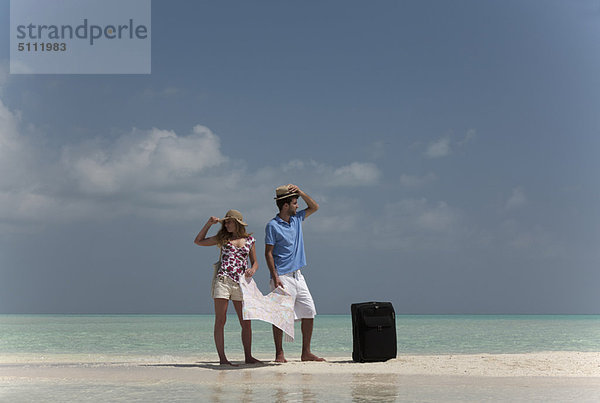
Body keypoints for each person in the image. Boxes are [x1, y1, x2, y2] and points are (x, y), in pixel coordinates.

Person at [265, 184, 325, 362]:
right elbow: (268, 252)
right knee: (280, 315)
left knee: (309, 311)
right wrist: (275, 276)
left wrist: (301, 192)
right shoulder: (272, 226)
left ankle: (306, 353)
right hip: (282, 276)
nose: (297, 205)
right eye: (294, 202)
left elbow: (315, 207)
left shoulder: (297, 219)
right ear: (285, 205)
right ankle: (279, 353)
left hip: (298, 275)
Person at [194, 209, 261, 366]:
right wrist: (209, 224)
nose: (227, 224)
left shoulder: (250, 240)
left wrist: (253, 270)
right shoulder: (222, 238)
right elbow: (198, 241)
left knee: (246, 322)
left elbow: (255, 262)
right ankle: (223, 359)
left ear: (237, 223)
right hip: (223, 281)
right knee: (220, 320)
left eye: (229, 222)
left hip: (241, 284)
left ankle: (248, 356)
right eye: (226, 222)